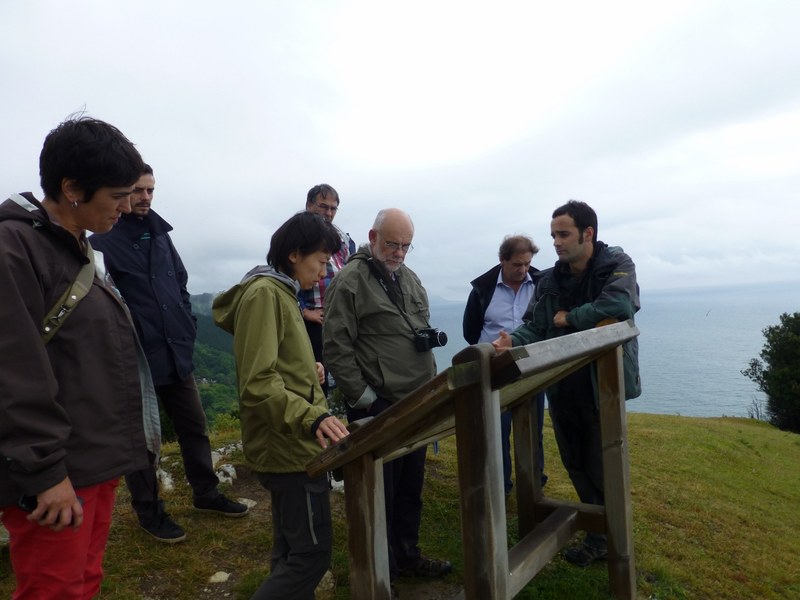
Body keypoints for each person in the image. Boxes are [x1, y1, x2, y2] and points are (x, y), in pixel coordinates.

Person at [0, 116, 156, 599]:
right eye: (117, 195)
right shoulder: (14, 249)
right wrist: (46, 472)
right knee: (55, 590)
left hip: (92, 457)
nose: (127, 206)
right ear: (71, 188)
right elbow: (13, 370)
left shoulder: (75, 247)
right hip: (56, 470)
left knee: (85, 581)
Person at [90, 164, 248, 544]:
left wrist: (187, 327)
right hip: (136, 359)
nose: (145, 197)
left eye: (150, 190)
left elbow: (180, 281)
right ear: (123, 191)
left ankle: (206, 493)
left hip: (175, 350)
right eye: (138, 190)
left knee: (194, 425)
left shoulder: (161, 235)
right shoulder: (102, 241)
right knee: (142, 441)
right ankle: (149, 512)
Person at [493, 200, 641, 567]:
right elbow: (535, 325)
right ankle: (598, 536)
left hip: (601, 385)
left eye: (563, 234)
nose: (556, 243)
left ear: (587, 233)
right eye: (553, 235)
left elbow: (620, 306)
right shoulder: (550, 280)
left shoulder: (617, 265)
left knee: (603, 462)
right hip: (561, 383)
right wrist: (514, 341)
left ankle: (615, 540)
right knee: (575, 461)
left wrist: (570, 318)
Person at [212, 211, 350, 599]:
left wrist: (308, 370)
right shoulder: (265, 294)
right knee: (310, 556)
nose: (322, 273)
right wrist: (312, 416)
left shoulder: (283, 292)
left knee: (290, 551)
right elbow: (258, 383)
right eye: (320, 261)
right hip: (289, 448)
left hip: (289, 442)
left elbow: (277, 364)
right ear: (294, 254)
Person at [323, 208, 453, 581]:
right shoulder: (350, 281)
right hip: (378, 405)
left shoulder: (408, 278)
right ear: (373, 237)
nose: (398, 252)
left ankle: (407, 556)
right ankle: (381, 571)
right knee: (380, 492)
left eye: (405, 246)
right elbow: (336, 347)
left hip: (416, 399)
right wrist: (365, 398)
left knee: (410, 487)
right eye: (392, 244)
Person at [462, 235, 547, 494]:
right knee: (496, 431)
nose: (523, 270)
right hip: (496, 372)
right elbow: (470, 331)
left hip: (533, 368)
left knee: (532, 430)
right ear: (502, 260)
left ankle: (533, 484)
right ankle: (501, 486)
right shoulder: (483, 290)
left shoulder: (542, 284)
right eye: (517, 265)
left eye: (527, 264)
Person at [299, 184, 356, 395]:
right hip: (315, 320)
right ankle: (319, 411)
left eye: (333, 208)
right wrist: (304, 311)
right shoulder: (299, 235)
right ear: (309, 205)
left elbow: (352, 270)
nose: (329, 213)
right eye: (323, 206)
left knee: (345, 367)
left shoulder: (342, 238)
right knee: (316, 373)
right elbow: (284, 275)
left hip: (340, 315)